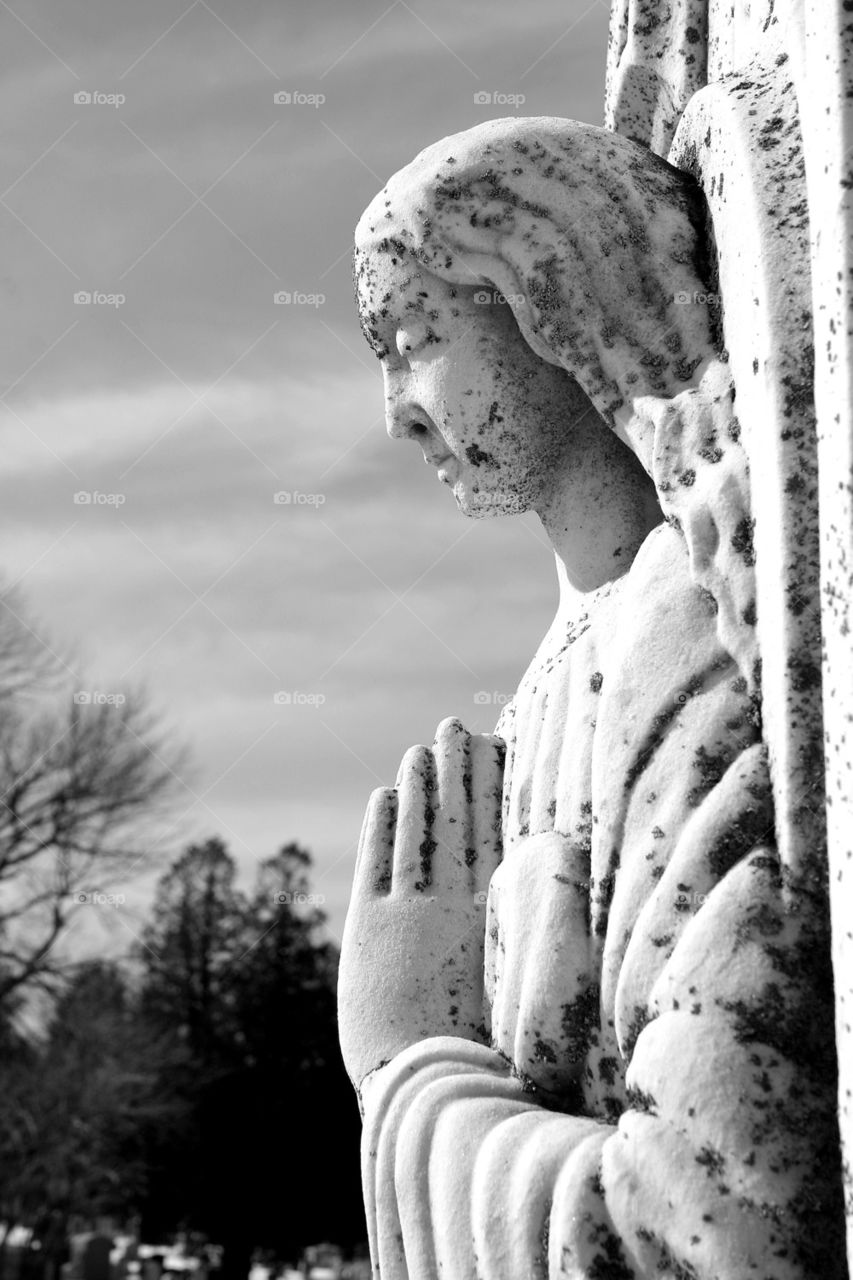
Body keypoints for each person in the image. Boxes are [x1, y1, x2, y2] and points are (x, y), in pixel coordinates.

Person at [338, 117, 844, 1278]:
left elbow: (714, 1222)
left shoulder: (692, 633)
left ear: (554, 303)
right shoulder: (550, 689)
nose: (395, 412)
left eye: (414, 338)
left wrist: (408, 1059)